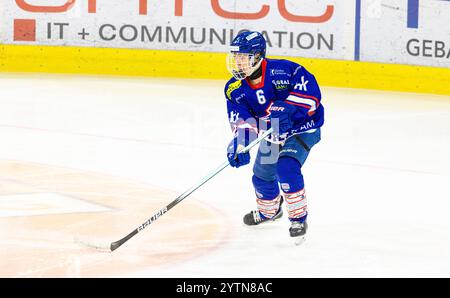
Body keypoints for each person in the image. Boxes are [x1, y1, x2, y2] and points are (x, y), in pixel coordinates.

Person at [224, 31, 324, 239]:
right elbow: (244, 122)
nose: (238, 63)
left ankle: (298, 219)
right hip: (273, 133)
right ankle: (269, 211)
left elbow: (313, 97)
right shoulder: (234, 89)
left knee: (286, 167)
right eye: (236, 58)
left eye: (244, 57)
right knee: (261, 175)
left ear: (258, 56)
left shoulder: (285, 70)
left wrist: (289, 109)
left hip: (302, 130)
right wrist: (240, 144)